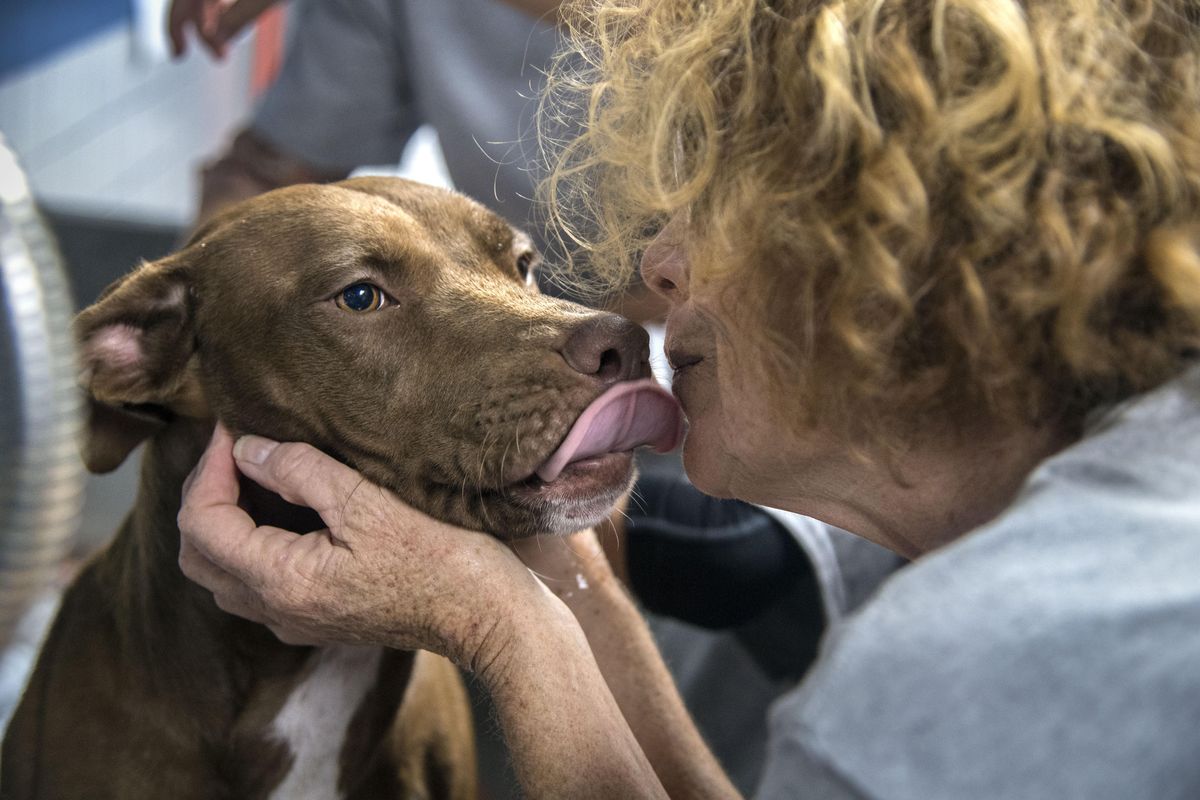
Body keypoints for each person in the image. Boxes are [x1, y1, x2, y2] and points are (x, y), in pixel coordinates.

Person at [177, 0, 1200, 797]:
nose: (653, 270)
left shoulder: (972, 663)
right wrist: (511, 608)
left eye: (720, 202)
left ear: (905, 254)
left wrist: (496, 624)